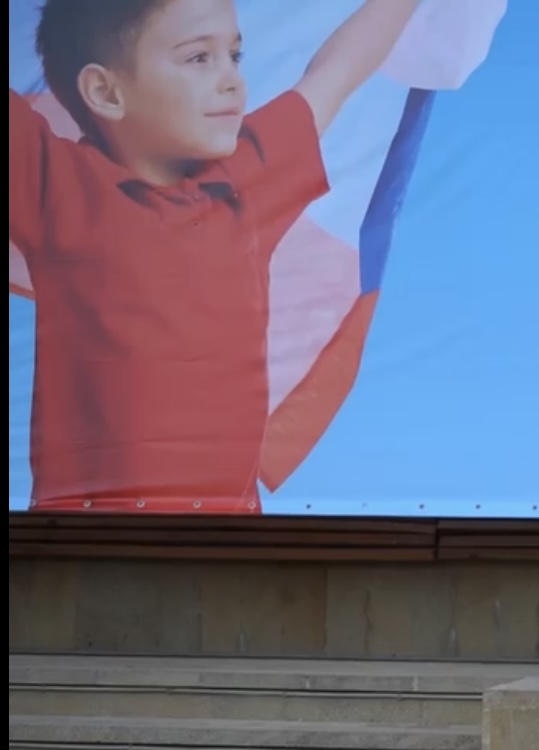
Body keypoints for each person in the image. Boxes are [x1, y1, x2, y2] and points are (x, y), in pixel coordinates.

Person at [9, 0, 419, 513]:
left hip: (229, 540)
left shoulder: (248, 179)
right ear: (105, 91)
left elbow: (335, 71)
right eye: (198, 58)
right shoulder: (56, 185)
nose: (231, 81)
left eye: (235, 56)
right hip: (87, 540)